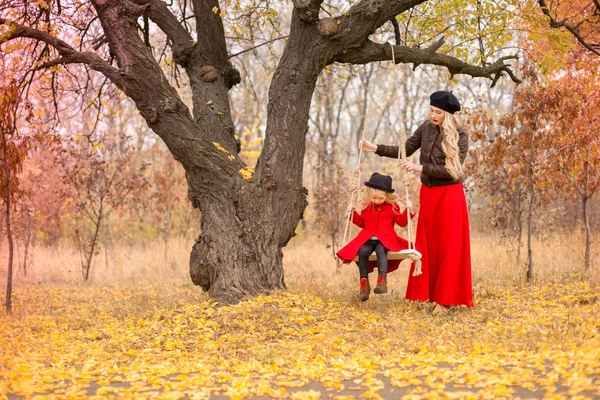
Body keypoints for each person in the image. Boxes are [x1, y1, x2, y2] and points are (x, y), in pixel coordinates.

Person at [360, 91, 473, 313]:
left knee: (449, 246)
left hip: (450, 195)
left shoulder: (460, 135)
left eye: (438, 112)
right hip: (429, 194)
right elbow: (406, 149)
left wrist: (420, 168)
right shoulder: (426, 128)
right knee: (429, 245)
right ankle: (430, 295)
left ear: (448, 114)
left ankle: (445, 300)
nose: (433, 115)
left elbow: (452, 170)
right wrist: (375, 148)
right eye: (431, 110)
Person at [337, 172, 416, 302]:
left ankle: (382, 280)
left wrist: (409, 210)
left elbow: (402, 222)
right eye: (374, 198)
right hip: (367, 239)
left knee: (381, 250)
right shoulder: (367, 207)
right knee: (363, 251)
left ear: (387, 196)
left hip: (385, 240)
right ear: (369, 195)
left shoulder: (392, 207)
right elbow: (362, 223)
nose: (377, 201)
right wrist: (351, 213)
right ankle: (364, 283)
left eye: (381, 198)